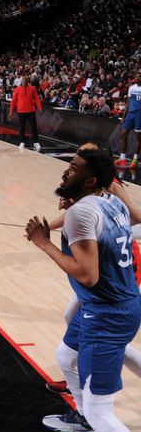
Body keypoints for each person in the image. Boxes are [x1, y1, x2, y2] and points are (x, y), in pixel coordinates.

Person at [25, 148, 141, 432]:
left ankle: (88, 418)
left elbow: (87, 275)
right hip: (120, 302)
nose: (66, 172)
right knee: (65, 355)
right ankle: (81, 416)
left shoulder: (81, 213)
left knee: (100, 412)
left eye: (74, 169)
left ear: (90, 181)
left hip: (105, 312)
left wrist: (44, 243)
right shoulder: (112, 200)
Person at [45, 143, 141, 395]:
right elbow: (77, 216)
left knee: (96, 333)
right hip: (102, 262)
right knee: (71, 319)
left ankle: (81, 376)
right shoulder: (87, 194)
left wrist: (47, 234)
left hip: (114, 268)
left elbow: (135, 217)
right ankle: (77, 373)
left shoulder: (112, 190)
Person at [8, 76, 42, 152]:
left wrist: (39, 108)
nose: (25, 82)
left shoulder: (33, 88)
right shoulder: (17, 89)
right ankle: (22, 142)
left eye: (26, 81)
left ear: (28, 82)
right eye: (23, 81)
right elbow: (13, 101)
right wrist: (11, 112)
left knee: (33, 127)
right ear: (21, 82)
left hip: (31, 111)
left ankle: (36, 142)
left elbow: (36, 98)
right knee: (21, 127)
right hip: (21, 111)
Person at [116, 75, 141, 168]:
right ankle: (123, 159)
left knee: (138, 137)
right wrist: (123, 116)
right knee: (123, 134)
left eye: (139, 77)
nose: (137, 78)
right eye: (137, 77)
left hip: (140, 114)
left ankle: (134, 160)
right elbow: (128, 102)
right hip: (130, 114)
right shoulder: (131, 88)